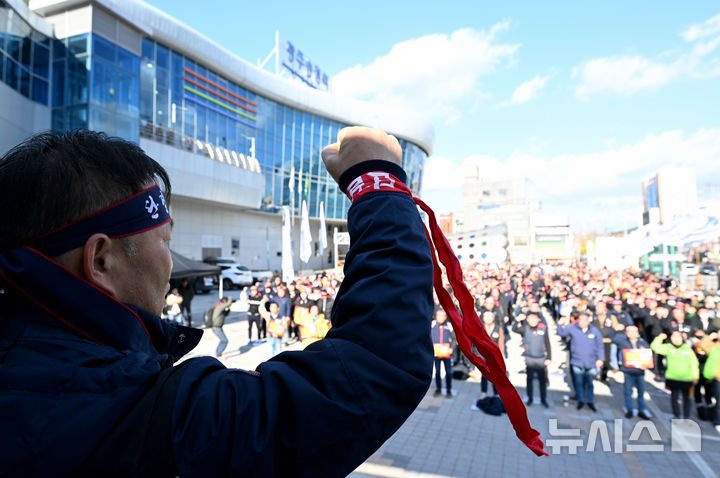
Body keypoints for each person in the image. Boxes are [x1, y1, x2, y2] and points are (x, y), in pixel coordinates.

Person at [0, 127, 434, 477]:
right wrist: (378, 184)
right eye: (165, 240)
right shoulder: (131, 409)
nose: (170, 263)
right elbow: (373, 367)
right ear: (100, 259)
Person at [557, 312, 604, 411]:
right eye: (580, 320)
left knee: (589, 383)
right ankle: (581, 400)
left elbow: (600, 346)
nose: (581, 322)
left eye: (584, 320)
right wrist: (560, 324)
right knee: (578, 382)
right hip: (577, 361)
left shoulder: (594, 331)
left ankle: (590, 401)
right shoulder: (573, 328)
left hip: (591, 362)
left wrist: (600, 358)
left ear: (588, 321)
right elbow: (562, 333)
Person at [651, 331, 700, 419]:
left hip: (686, 379)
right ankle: (676, 415)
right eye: (674, 337)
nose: (676, 339)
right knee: (674, 398)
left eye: (678, 337)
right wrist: (659, 338)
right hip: (673, 377)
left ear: (682, 338)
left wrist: (695, 377)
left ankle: (686, 416)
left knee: (687, 399)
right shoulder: (668, 347)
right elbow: (655, 347)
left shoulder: (687, 349)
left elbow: (694, 363)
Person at [610, 325, 651, 419]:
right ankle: (629, 409)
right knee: (628, 392)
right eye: (629, 332)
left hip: (640, 371)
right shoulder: (623, 341)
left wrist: (646, 365)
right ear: (626, 333)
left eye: (634, 332)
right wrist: (615, 329)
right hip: (628, 371)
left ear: (637, 333)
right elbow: (611, 337)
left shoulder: (642, 342)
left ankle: (641, 410)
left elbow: (648, 355)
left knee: (641, 392)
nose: (632, 334)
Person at [512, 313, 551, 407]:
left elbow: (547, 342)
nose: (533, 321)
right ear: (528, 320)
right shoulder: (525, 329)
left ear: (538, 320)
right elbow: (514, 329)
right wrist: (517, 320)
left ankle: (543, 399)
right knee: (529, 379)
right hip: (529, 358)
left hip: (541, 358)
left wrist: (549, 357)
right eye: (531, 319)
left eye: (535, 319)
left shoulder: (543, 328)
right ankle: (530, 398)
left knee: (542, 380)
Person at [431, 308, 455, 398]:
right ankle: (438, 389)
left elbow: (454, 338)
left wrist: (452, 348)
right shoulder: (432, 324)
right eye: (438, 316)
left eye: (442, 316)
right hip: (436, 353)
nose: (440, 318)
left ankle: (448, 390)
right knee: (437, 372)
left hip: (446, 353)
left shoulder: (449, 325)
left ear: (445, 317)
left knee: (448, 372)